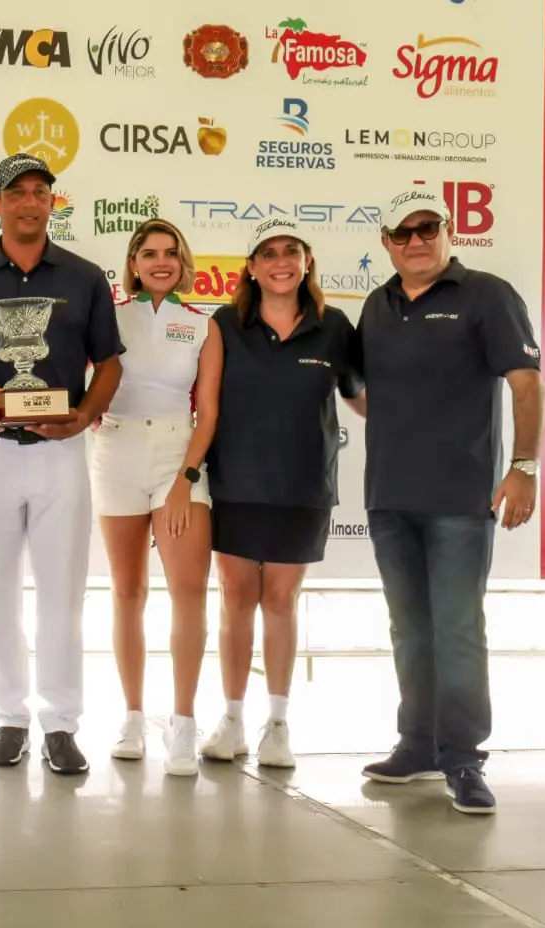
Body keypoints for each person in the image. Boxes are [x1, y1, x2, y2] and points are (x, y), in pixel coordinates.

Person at [355, 188, 543, 815]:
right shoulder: (376, 308)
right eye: (401, 233)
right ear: (385, 241)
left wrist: (523, 467)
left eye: (427, 228)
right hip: (388, 499)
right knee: (410, 630)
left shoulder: (488, 294)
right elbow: (363, 392)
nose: (415, 242)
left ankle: (463, 759)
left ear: (448, 231)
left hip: (461, 499)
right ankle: (417, 745)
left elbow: (526, 383)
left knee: (458, 631)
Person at [0, 154, 123, 775]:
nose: (29, 201)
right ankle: (9, 717)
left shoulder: (84, 276)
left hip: (62, 452)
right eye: (16, 192)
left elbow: (110, 363)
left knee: (62, 593)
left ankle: (61, 722)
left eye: (40, 192)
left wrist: (84, 415)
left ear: (54, 202)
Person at [201, 217, 364, 770]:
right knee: (236, 599)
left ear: (307, 260)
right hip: (237, 483)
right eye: (267, 253)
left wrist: (424, 413)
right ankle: (231, 719)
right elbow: (200, 399)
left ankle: (278, 723)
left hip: (303, 486)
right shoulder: (226, 323)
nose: (280, 262)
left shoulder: (334, 325)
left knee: (280, 601)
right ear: (251, 267)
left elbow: (361, 398)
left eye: (290, 251)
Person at [92, 218, 219, 777]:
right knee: (127, 592)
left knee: (188, 592)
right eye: (149, 253)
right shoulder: (110, 317)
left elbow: (209, 410)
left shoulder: (203, 326)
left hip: (177, 454)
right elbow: (86, 386)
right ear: (134, 263)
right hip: (116, 450)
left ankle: (185, 723)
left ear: (183, 261)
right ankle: (132, 716)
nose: (160, 261)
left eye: (170, 253)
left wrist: (185, 480)